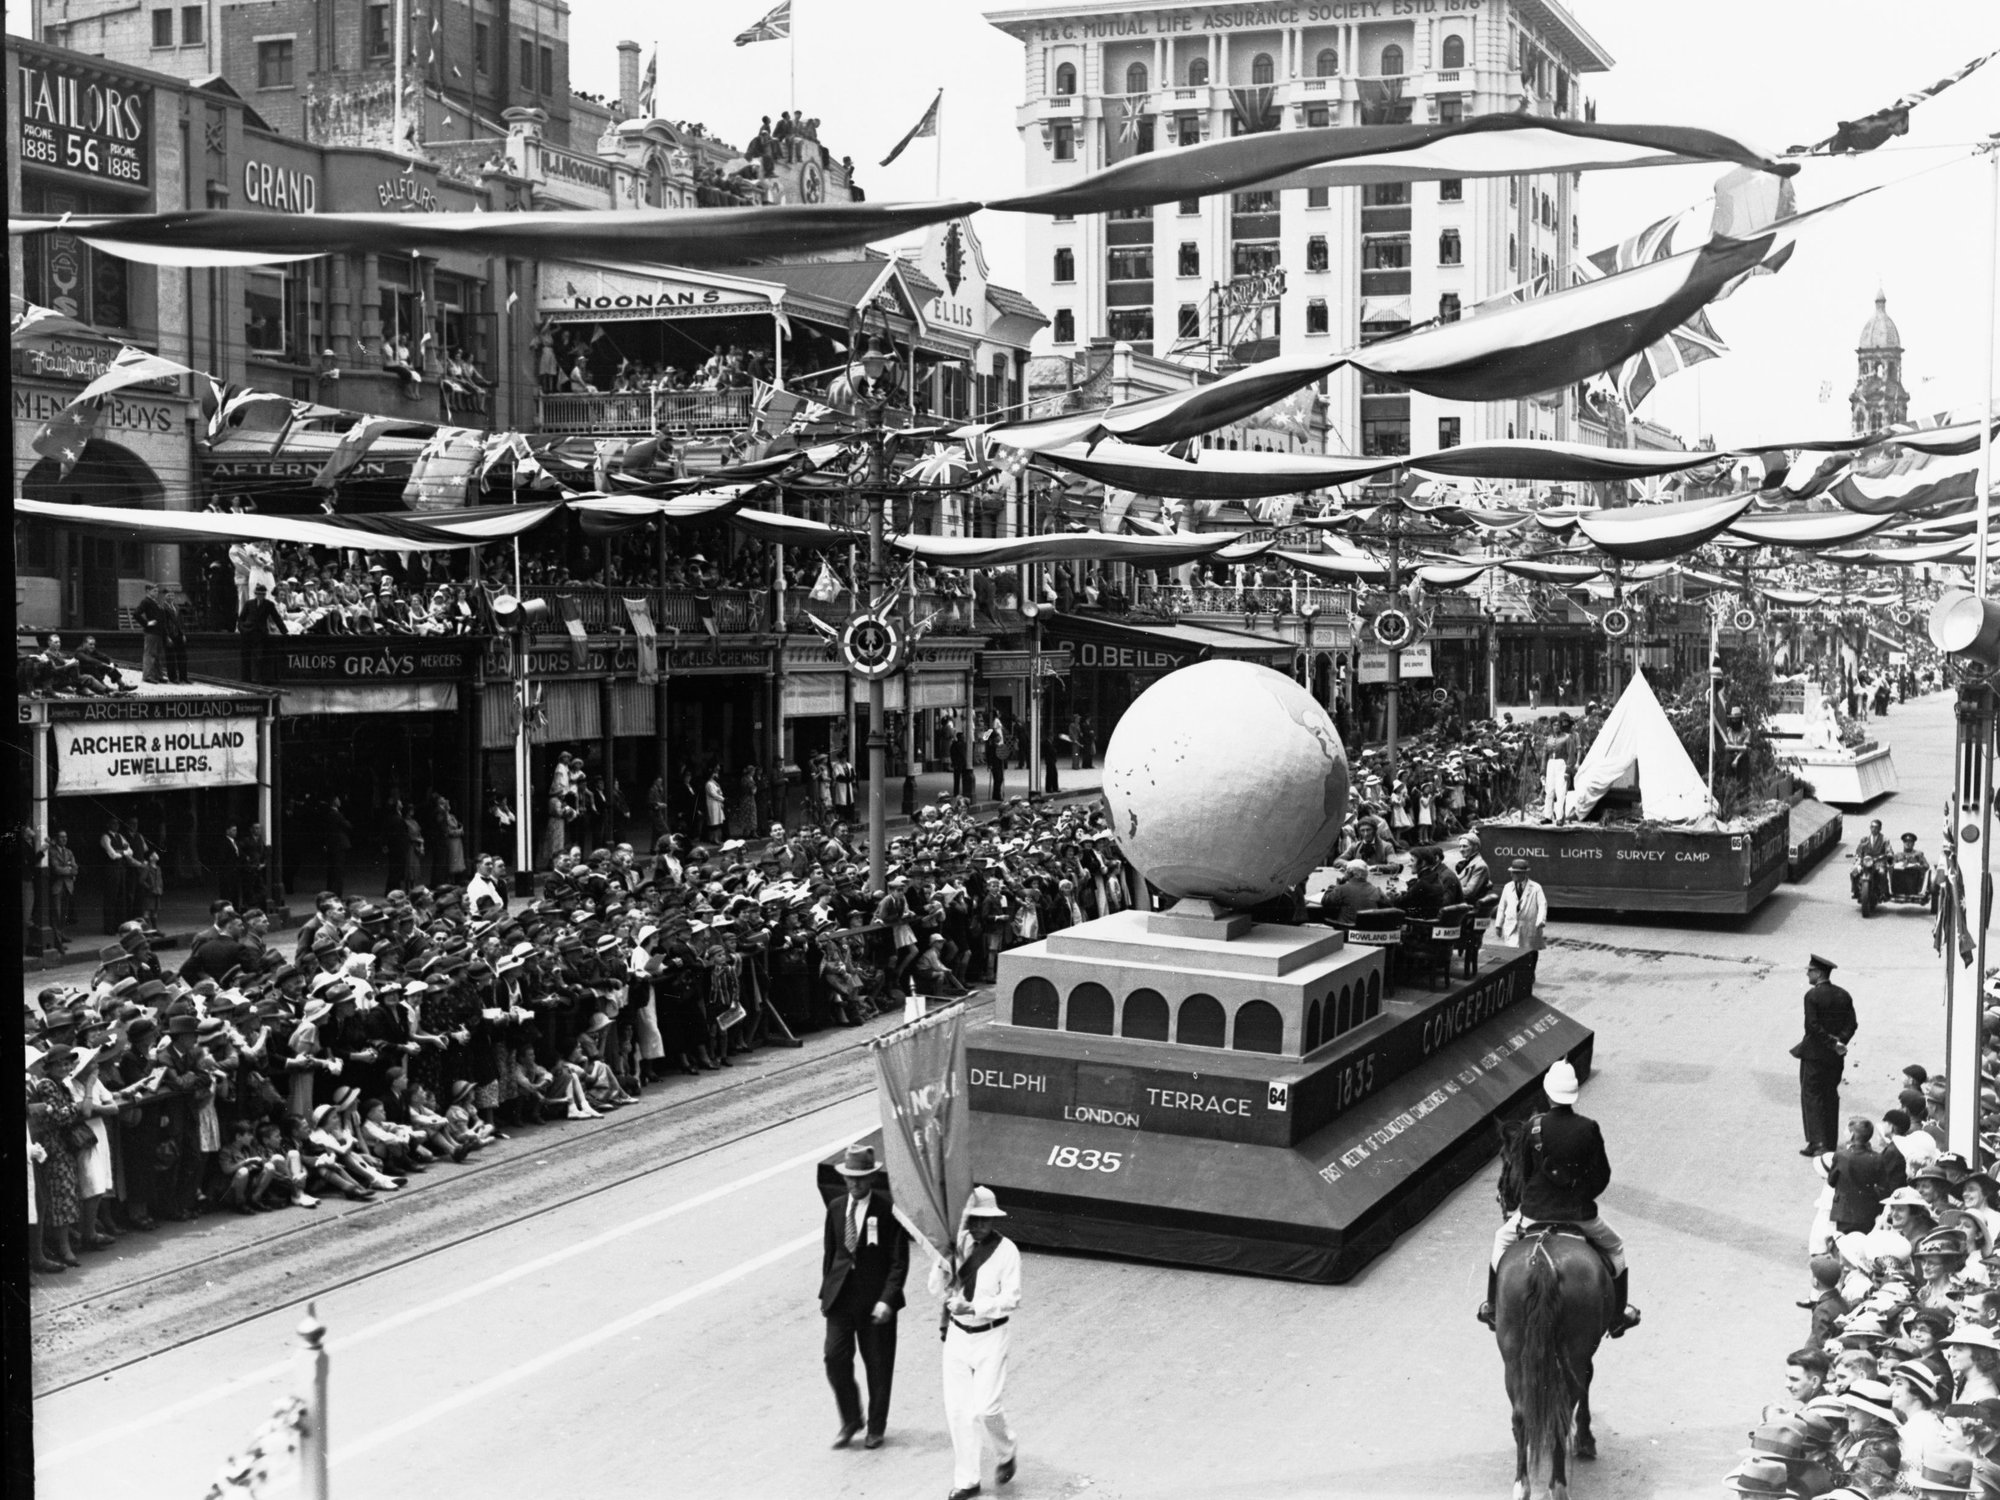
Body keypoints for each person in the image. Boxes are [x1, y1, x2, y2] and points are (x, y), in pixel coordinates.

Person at [1478, 1059, 1640, 1337]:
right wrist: (1580, 1196)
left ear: (1548, 1093)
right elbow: (1602, 1176)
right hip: (1580, 1215)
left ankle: (1492, 1307)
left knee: (1501, 1241)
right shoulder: (1589, 1128)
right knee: (1616, 1249)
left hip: (1534, 1214)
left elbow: (1524, 1175)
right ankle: (1617, 1316)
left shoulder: (1532, 1128)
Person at [928, 1185, 1022, 1500]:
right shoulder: (956, 1245)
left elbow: (1011, 1298)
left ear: (994, 1220)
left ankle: (1006, 1449)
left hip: (991, 1334)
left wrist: (974, 1308)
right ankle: (967, 1479)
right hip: (958, 1334)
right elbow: (934, 1288)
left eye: (985, 1219)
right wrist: (942, 1263)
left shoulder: (1006, 1251)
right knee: (958, 1410)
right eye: (974, 1219)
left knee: (987, 1407)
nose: (979, 1225)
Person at [820, 1144, 909, 1451]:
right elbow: (831, 1254)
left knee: (878, 1366)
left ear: (871, 1178)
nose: (854, 1184)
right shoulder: (835, 1208)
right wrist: (826, 1295)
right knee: (834, 1358)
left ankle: (876, 1427)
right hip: (841, 1301)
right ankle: (850, 1419)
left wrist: (887, 1299)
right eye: (850, 1178)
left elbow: (898, 1262)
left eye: (860, 1178)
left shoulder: (887, 1211)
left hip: (875, 1304)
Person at [1795, 954, 1858, 1158]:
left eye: (1810, 971)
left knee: (1812, 1095)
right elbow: (1852, 1024)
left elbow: (1812, 1026)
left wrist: (1831, 1042)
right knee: (1830, 1095)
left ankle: (1817, 1142)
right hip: (1835, 1057)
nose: (1807, 974)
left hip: (1814, 1054)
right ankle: (1829, 1142)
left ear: (1819, 973)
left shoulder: (1812, 996)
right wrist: (1840, 1042)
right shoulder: (1843, 995)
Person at [1493, 858, 1548, 950]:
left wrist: (1540, 921)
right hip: (1511, 926)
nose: (1512, 875)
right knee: (1512, 952)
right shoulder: (1507, 887)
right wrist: (1498, 925)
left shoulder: (1536, 887)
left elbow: (1542, 905)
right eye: (1512, 872)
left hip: (1529, 927)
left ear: (1524, 873)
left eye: (1515, 873)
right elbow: (1501, 907)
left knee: (1529, 951)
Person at [1541, 712, 1579, 823]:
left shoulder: (1567, 737)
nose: (1556, 727)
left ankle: (1559, 818)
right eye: (1554, 725)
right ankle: (1548, 817)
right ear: (1551, 726)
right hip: (1550, 764)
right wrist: (1542, 771)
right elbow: (1544, 755)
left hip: (1561, 764)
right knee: (1549, 791)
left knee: (1560, 791)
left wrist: (1568, 770)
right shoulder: (1548, 739)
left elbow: (1571, 755)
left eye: (1558, 725)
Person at [1852, 819, 1892, 902]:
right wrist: (1858, 857)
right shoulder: (1864, 839)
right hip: (1866, 862)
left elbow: (1888, 849)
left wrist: (1889, 854)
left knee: (1882, 873)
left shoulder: (1884, 839)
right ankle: (1855, 891)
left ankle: (1884, 893)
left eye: (1876, 827)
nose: (1874, 829)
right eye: (1872, 827)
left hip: (1879, 862)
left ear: (1880, 828)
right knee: (1854, 872)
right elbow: (1859, 851)